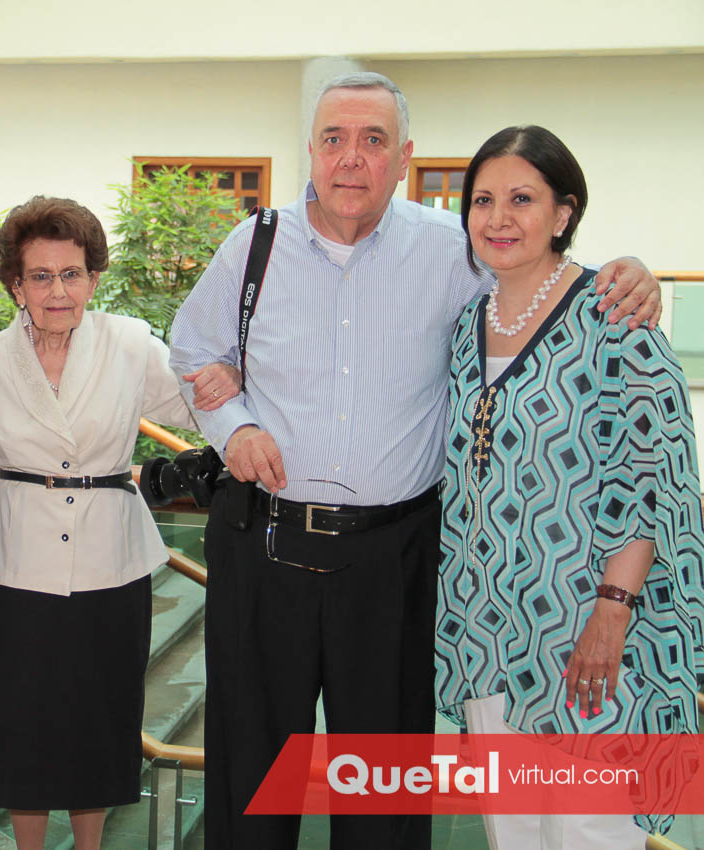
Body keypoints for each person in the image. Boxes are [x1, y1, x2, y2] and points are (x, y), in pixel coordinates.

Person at [168, 71, 663, 850]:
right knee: (251, 783)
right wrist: (232, 427)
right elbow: (193, 351)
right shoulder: (253, 245)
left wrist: (627, 271)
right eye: (333, 138)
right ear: (309, 150)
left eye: (373, 140)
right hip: (263, 545)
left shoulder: (452, 250)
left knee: (384, 791)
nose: (350, 158)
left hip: (392, 557)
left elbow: (541, 279)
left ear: (402, 158)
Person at [437, 125, 704, 848]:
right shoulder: (463, 328)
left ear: (563, 213)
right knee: (513, 833)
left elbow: (654, 482)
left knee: (590, 830)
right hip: (487, 635)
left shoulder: (615, 320)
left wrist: (612, 611)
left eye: (522, 199)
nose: (498, 218)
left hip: (588, 635)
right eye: (482, 200)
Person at [0, 196, 237, 850]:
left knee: (99, 726)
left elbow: (196, 403)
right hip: (16, 569)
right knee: (22, 729)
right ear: (16, 285)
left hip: (112, 565)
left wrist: (234, 373)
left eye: (71, 274)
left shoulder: (129, 344)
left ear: (93, 278)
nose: (58, 291)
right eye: (41, 276)